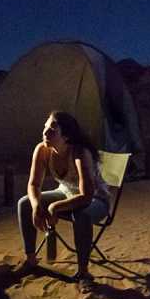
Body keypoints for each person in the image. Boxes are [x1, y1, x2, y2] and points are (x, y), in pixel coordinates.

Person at [17, 111, 110, 289]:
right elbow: (34, 184)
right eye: (45, 126)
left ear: (66, 136)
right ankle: (30, 260)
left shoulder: (79, 153)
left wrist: (54, 208)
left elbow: (87, 195)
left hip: (96, 200)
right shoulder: (43, 150)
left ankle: (83, 272)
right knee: (25, 203)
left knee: (81, 215)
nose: (45, 132)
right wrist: (37, 207)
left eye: (52, 129)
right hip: (66, 192)